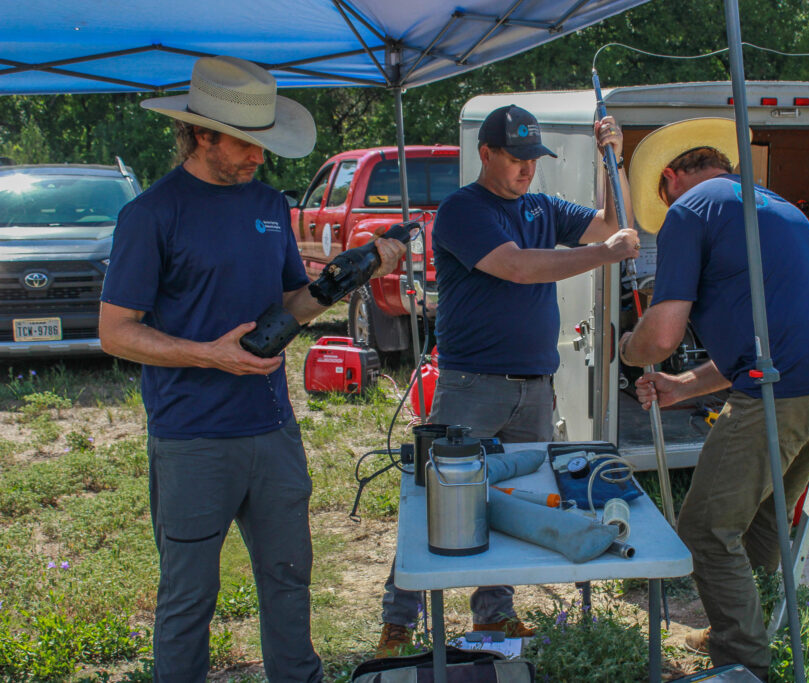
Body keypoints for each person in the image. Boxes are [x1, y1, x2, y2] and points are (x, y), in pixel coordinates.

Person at [98, 55, 403, 682]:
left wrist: (346, 277)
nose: (259, 158)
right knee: (188, 600)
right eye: (246, 143)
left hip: (272, 429)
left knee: (290, 583)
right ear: (201, 133)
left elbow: (291, 301)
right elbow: (115, 332)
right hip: (192, 438)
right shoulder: (152, 215)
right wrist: (208, 353)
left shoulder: (268, 204)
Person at [376, 104, 640, 654]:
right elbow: (519, 266)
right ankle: (398, 621)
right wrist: (602, 254)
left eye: (534, 158)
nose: (527, 169)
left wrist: (613, 161)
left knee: (513, 501)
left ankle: (493, 617)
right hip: (472, 385)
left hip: (535, 384)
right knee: (437, 498)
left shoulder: (542, 206)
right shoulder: (462, 211)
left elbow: (613, 225)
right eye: (516, 158)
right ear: (487, 153)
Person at [618, 118, 809, 680]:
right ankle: (741, 625)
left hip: (787, 390)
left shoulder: (688, 211)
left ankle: (745, 666)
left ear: (671, 177)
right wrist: (683, 386)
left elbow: (660, 337)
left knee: (705, 529)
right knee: (760, 519)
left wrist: (630, 349)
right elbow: (759, 343)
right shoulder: (765, 203)